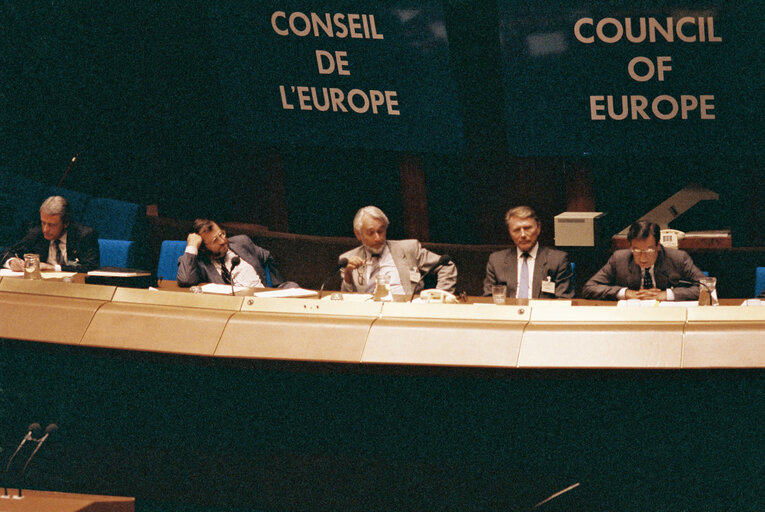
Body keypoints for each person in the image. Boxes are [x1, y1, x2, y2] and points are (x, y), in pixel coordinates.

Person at [338, 206, 457, 295]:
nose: (378, 238)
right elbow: (347, 299)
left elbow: (447, 266)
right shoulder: (348, 258)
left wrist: (440, 297)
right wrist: (348, 274)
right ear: (358, 234)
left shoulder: (409, 248)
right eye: (371, 233)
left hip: (406, 310)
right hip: (369, 311)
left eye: (381, 231)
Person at [582, 220, 706, 301]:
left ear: (658, 245)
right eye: (637, 250)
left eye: (649, 250)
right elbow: (590, 287)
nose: (643, 258)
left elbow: (706, 288)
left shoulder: (678, 258)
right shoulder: (619, 259)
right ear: (630, 247)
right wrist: (626, 293)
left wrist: (666, 295)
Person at [176, 219, 298, 289]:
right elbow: (186, 280)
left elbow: (267, 256)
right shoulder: (197, 262)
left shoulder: (242, 243)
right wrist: (192, 246)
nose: (223, 241)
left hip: (262, 299)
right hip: (231, 309)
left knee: (292, 287)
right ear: (203, 248)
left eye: (221, 234)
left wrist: (275, 286)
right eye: (215, 240)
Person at [483, 206, 574, 298]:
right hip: (507, 311)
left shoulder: (557, 260)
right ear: (510, 232)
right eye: (516, 230)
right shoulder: (496, 261)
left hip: (543, 311)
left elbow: (563, 300)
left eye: (527, 228)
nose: (522, 235)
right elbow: (489, 299)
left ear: (538, 228)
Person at [1, 195, 100, 273]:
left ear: (66, 223)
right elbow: (6, 253)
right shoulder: (36, 234)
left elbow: (91, 268)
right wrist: (11, 261)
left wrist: (53, 268)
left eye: (52, 225)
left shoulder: (84, 236)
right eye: (43, 223)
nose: (45, 229)